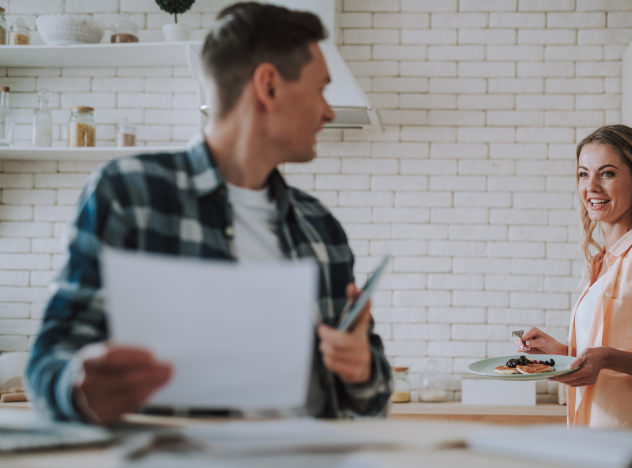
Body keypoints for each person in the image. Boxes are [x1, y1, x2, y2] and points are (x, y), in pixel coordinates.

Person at [27, 2, 392, 425]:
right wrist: (78, 387)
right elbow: (47, 363)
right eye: (321, 89)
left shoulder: (321, 227)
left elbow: (373, 402)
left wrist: (362, 368)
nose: (329, 111)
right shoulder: (130, 193)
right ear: (268, 85)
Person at [515, 124, 632, 429]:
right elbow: (602, 357)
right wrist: (560, 353)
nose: (592, 187)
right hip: (588, 440)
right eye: (583, 174)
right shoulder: (601, 261)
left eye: (607, 173)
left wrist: (608, 357)